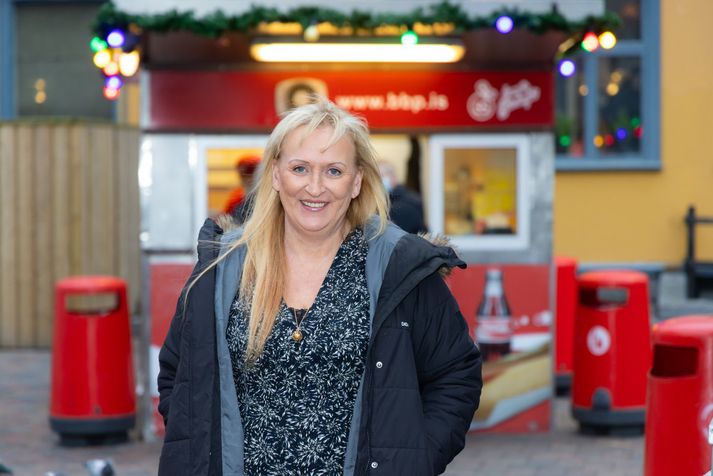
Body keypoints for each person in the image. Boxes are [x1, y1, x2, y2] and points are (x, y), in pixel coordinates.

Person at [157, 98, 482, 476]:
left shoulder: (399, 269)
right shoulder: (224, 269)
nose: (315, 187)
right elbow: (178, 375)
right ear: (276, 175)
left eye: (333, 171)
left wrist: (411, 459)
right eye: (300, 168)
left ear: (357, 180)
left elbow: (455, 375)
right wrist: (202, 449)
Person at [378, 161, 427, 234]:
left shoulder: (407, 201)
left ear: (393, 177)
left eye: (381, 176)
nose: (378, 180)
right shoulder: (390, 199)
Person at [223, 154, 261, 222]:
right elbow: (226, 220)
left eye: (245, 175)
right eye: (241, 175)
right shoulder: (237, 197)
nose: (243, 180)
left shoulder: (265, 196)